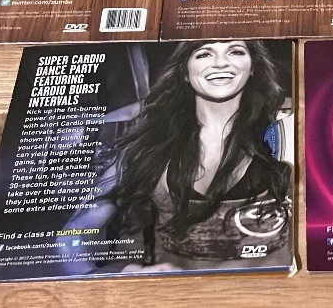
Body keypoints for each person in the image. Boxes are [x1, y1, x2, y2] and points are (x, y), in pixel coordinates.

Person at [63, 40, 292, 273]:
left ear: (252, 67)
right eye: (204, 54)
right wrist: (115, 276)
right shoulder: (149, 148)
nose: (221, 62)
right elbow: (71, 236)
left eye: (235, 51)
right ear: (185, 72)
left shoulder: (287, 132)